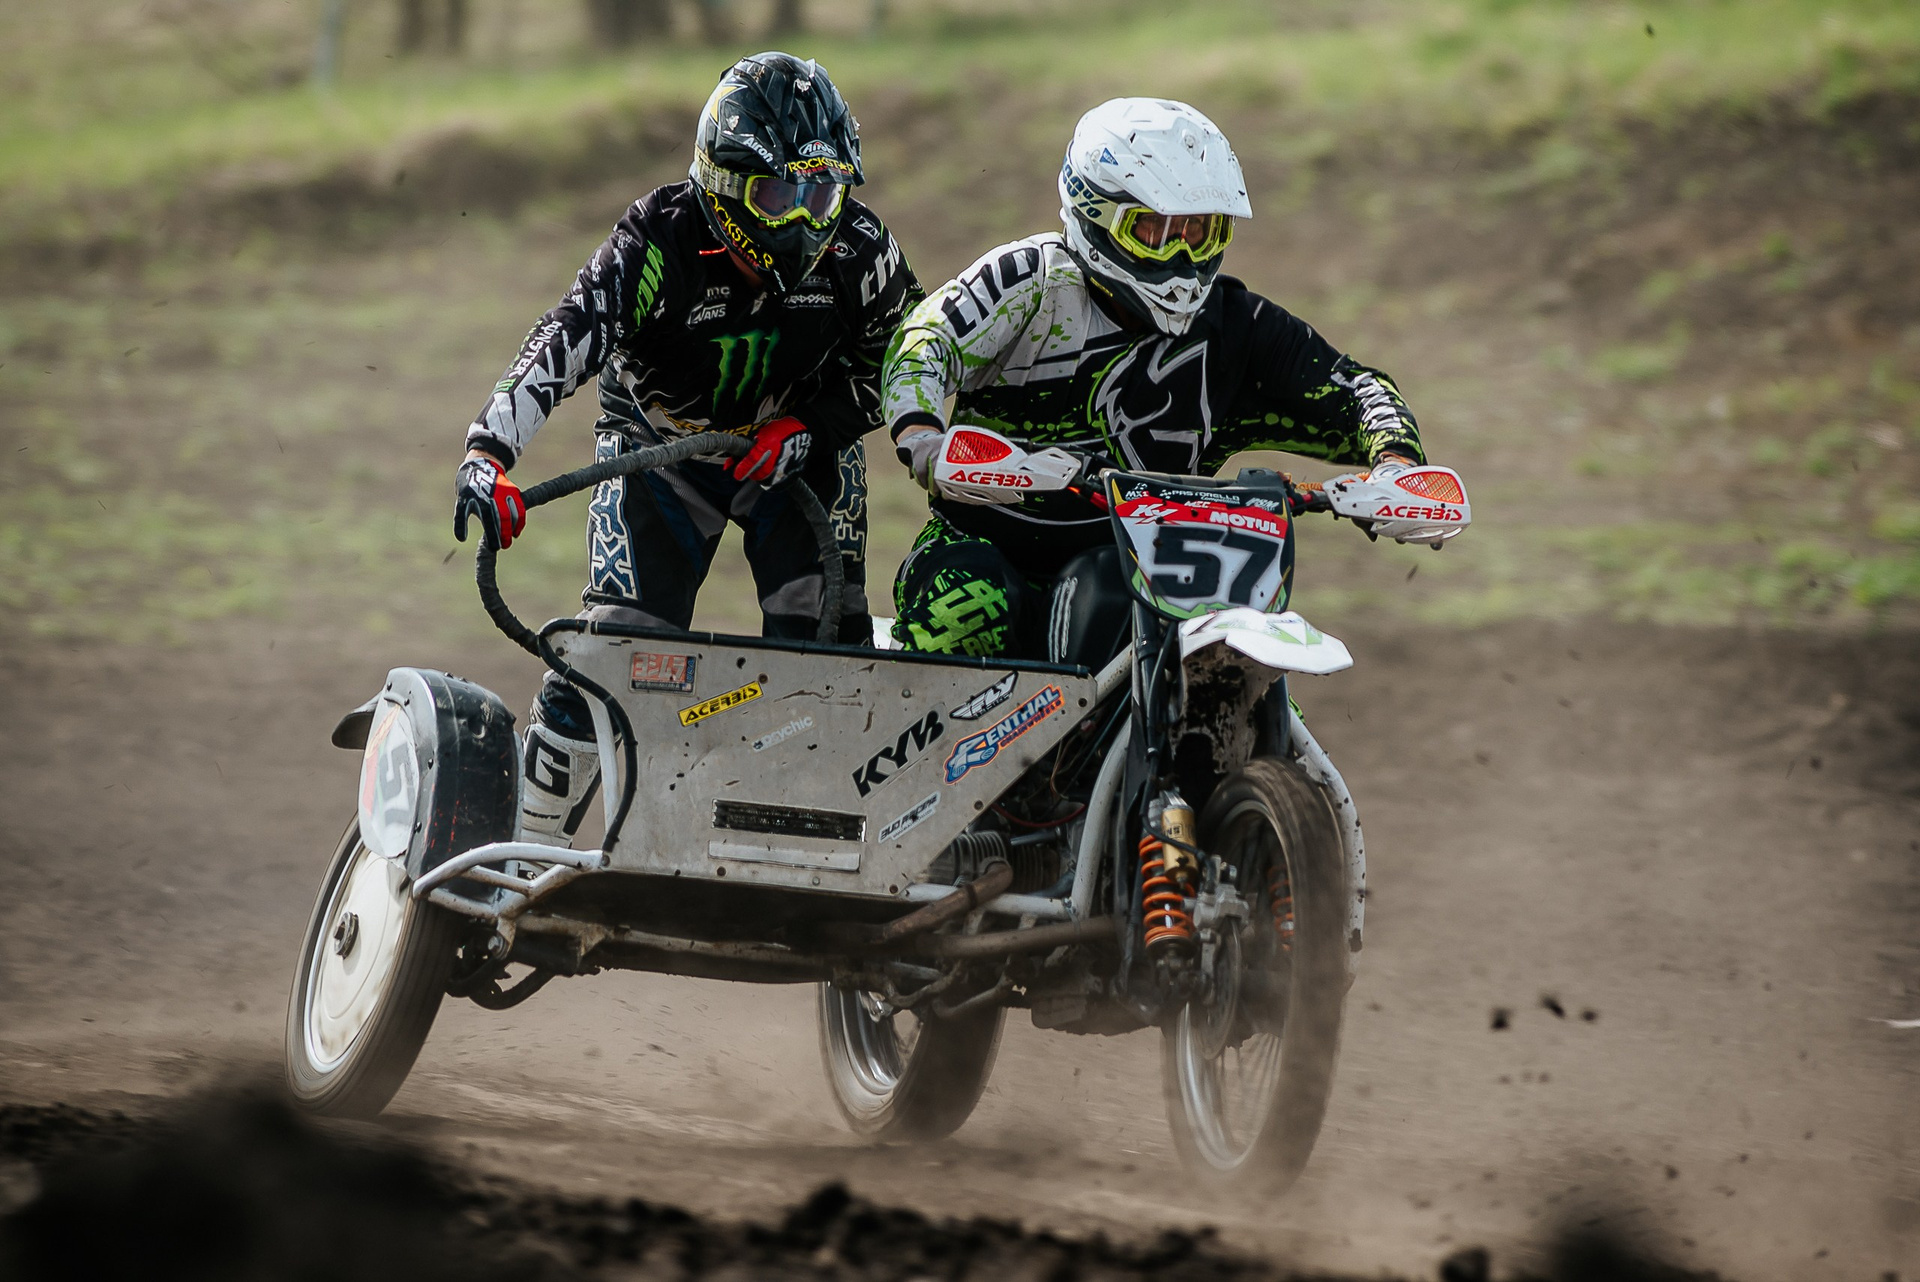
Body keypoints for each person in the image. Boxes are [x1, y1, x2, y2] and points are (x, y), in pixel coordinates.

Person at [454, 51, 922, 845]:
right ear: (723, 185)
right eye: (778, 195)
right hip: (661, 452)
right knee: (618, 646)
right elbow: (565, 335)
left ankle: (812, 843)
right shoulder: (655, 241)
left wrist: (817, 426)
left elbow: (912, 359)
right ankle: (525, 849)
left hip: (797, 453)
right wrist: (488, 453)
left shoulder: (861, 248)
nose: (806, 220)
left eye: (822, 192)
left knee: (828, 652)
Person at [882, 97, 1428, 664]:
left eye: (1199, 231)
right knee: (967, 612)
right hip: (981, 544)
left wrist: (1397, 466)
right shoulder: (1032, 282)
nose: (1182, 254)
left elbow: (1356, 388)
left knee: (1245, 665)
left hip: (1154, 568)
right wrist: (923, 435)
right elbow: (923, 340)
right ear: (1094, 214)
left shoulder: (1237, 327)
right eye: (1156, 230)